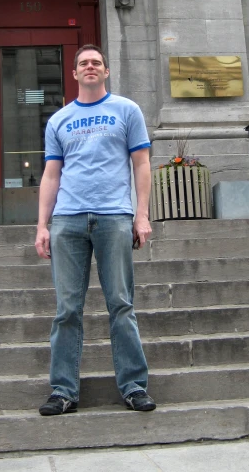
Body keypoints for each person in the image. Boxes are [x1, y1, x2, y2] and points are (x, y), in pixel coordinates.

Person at [35, 44, 156, 416]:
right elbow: (51, 175)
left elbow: (142, 164)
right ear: (74, 74)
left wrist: (142, 215)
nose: (90, 67)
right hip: (68, 221)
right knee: (66, 309)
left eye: (96, 63)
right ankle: (63, 390)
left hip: (114, 217)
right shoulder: (59, 120)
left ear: (106, 72)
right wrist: (42, 224)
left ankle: (134, 386)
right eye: (83, 63)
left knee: (121, 304)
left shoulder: (127, 110)